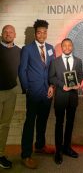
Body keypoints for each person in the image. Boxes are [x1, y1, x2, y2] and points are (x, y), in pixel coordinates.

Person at [18, 19, 55, 169]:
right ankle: (26, 154)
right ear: (35, 33)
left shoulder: (51, 48)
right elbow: (22, 70)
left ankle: (40, 145)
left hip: (47, 92)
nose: (42, 34)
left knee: (42, 121)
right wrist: (27, 88)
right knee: (30, 122)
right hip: (33, 92)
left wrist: (52, 85)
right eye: (39, 32)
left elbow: (52, 69)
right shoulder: (27, 49)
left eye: (45, 32)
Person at [49, 38, 83, 165]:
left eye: (70, 45)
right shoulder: (55, 62)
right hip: (60, 97)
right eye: (65, 45)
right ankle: (58, 151)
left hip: (73, 97)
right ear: (61, 48)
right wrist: (61, 85)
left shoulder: (78, 61)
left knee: (70, 123)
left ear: (72, 47)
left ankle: (67, 148)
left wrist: (79, 83)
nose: (67, 47)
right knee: (59, 123)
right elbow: (51, 77)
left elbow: (80, 75)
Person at [0, 25, 21, 169]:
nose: (8, 34)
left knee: (4, 125)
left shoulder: (19, 51)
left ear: (15, 34)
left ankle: (0, 154)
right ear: (1, 34)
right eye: (5, 32)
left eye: (10, 32)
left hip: (11, 92)